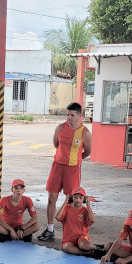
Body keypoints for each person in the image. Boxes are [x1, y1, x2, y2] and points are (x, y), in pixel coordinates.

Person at [38, 102, 92, 241]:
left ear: (79, 115)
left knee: (71, 201)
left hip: (73, 169)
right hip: (57, 166)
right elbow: (56, 144)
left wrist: (76, 159)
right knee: (52, 198)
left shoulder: (85, 132)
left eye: (72, 115)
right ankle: (50, 230)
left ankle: (70, 232)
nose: (69, 117)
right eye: (67, 114)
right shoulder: (60, 127)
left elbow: (88, 151)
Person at [56, 186, 95, 255]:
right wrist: (65, 202)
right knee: (67, 248)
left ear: (84, 199)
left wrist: (88, 205)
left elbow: (92, 219)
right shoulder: (67, 208)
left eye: (80, 198)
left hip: (82, 238)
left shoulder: (85, 210)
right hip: (68, 240)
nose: (78, 200)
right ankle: (86, 253)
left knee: (85, 245)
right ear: (72, 197)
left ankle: (94, 249)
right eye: (75, 197)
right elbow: (57, 217)